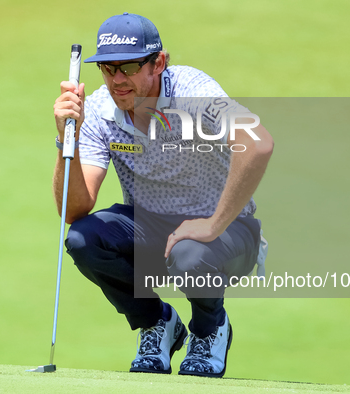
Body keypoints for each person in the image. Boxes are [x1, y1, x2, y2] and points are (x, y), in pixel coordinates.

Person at [52, 12, 273, 378]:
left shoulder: (193, 92)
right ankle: (158, 323)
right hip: (151, 228)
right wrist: (66, 138)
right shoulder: (98, 111)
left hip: (227, 232)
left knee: (190, 254)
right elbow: (73, 209)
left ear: (159, 62)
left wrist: (211, 225)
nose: (117, 80)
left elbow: (258, 144)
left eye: (129, 67)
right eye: (107, 69)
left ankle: (209, 329)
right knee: (82, 239)